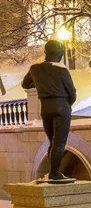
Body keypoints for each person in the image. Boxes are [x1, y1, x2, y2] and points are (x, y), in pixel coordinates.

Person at [22, 40, 76, 182]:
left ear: (46, 53)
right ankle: (54, 173)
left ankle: (52, 172)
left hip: (45, 108)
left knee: (52, 142)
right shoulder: (62, 71)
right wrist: (66, 105)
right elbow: (72, 93)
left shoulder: (35, 69)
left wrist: (40, 83)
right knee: (59, 142)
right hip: (61, 106)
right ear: (60, 55)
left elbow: (25, 84)